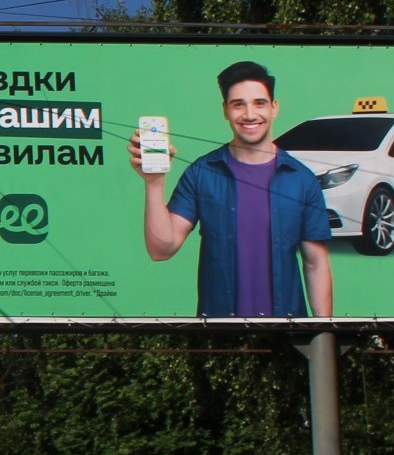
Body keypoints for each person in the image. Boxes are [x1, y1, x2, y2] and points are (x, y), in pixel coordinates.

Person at [131, 59, 334, 320]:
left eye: (259, 103)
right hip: (218, 338)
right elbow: (161, 249)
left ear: (274, 108)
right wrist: (154, 183)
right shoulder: (201, 172)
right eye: (238, 104)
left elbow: (315, 264)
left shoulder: (302, 179)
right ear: (225, 110)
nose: (250, 114)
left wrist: (323, 334)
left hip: (287, 338)